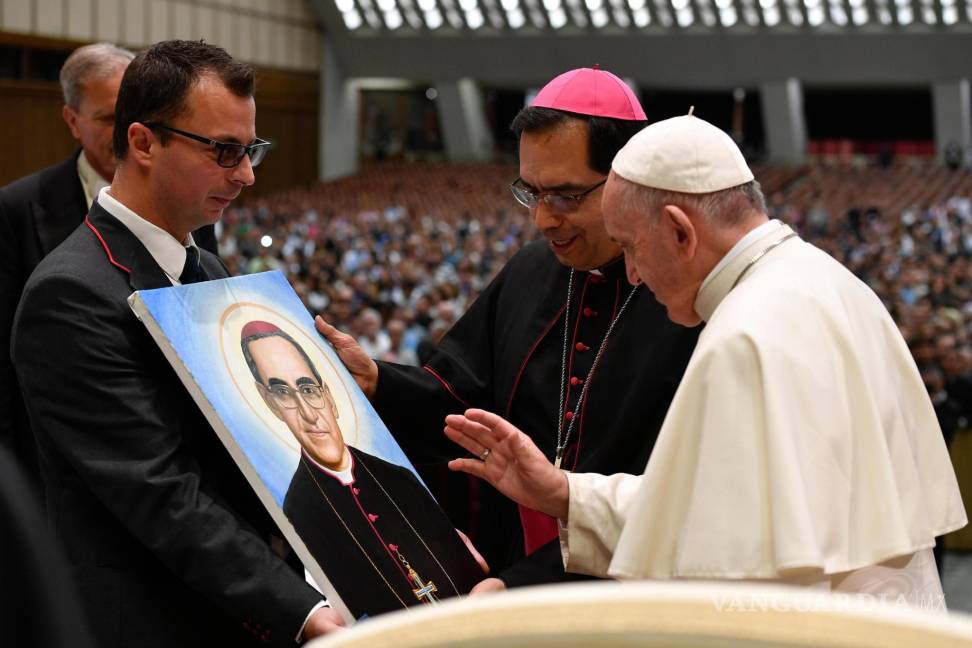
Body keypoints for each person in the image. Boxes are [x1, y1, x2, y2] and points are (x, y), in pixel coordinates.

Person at [444, 112, 967, 604]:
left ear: (680, 231)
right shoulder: (824, 278)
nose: (632, 274)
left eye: (631, 247)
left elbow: (724, 566)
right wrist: (565, 493)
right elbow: (712, 513)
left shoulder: (743, 337)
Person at [317, 66, 699, 591]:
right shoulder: (531, 269)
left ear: (626, 181)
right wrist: (378, 381)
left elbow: (679, 496)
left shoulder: (682, 297)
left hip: (625, 578)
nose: (542, 220)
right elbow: (461, 399)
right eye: (531, 193)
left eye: (565, 196)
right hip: (511, 552)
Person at [11, 40, 341, 647]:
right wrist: (302, 609)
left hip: (231, 600)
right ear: (143, 143)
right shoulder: (71, 292)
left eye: (251, 150)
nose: (246, 174)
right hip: (150, 619)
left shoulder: (207, 268)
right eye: (223, 150)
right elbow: (158, 491)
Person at [0, 42, 217, 487]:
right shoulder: (16, 208)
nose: (123, 129)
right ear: (71, 120)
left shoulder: (189, 203)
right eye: (107, 117)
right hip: (53, 463)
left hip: (169, 452)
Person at [241, 321, 485, 619]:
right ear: (270, 404)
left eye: (308, 389)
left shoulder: (398, 476)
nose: (307, 413)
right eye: (282, 393)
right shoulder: (296, 508)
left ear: (329, 396)